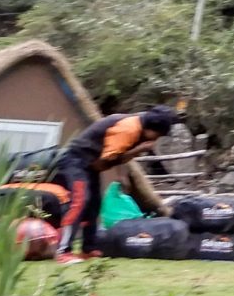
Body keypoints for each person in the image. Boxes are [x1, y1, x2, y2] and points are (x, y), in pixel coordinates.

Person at [53, 104, 180, 260]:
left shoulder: (138, 124)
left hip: (90, 165)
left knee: (94, 204)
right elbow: (102, 163)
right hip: (76, 162)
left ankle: (88, 249)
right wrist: (138, 150)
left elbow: (118, 153)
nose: (156, 140)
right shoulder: (129, 129)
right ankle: (63, 251)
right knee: (80, 200)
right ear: (152, 129)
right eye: (158, 135)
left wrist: (122, 175)